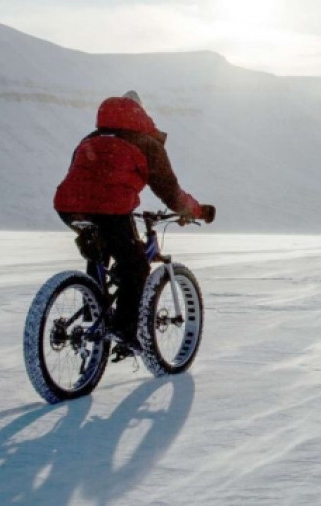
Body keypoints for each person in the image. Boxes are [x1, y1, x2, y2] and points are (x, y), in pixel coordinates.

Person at [53, 90, 215, 361]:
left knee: (99, 252)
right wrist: (196, 211)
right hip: (110, 210)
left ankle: (93, 313)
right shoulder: (146, 143)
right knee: (136, 267)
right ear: (140, 113)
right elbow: (170, 192)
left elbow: (81, 177)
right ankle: (124, 332)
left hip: (69, 207)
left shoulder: (91, 139)